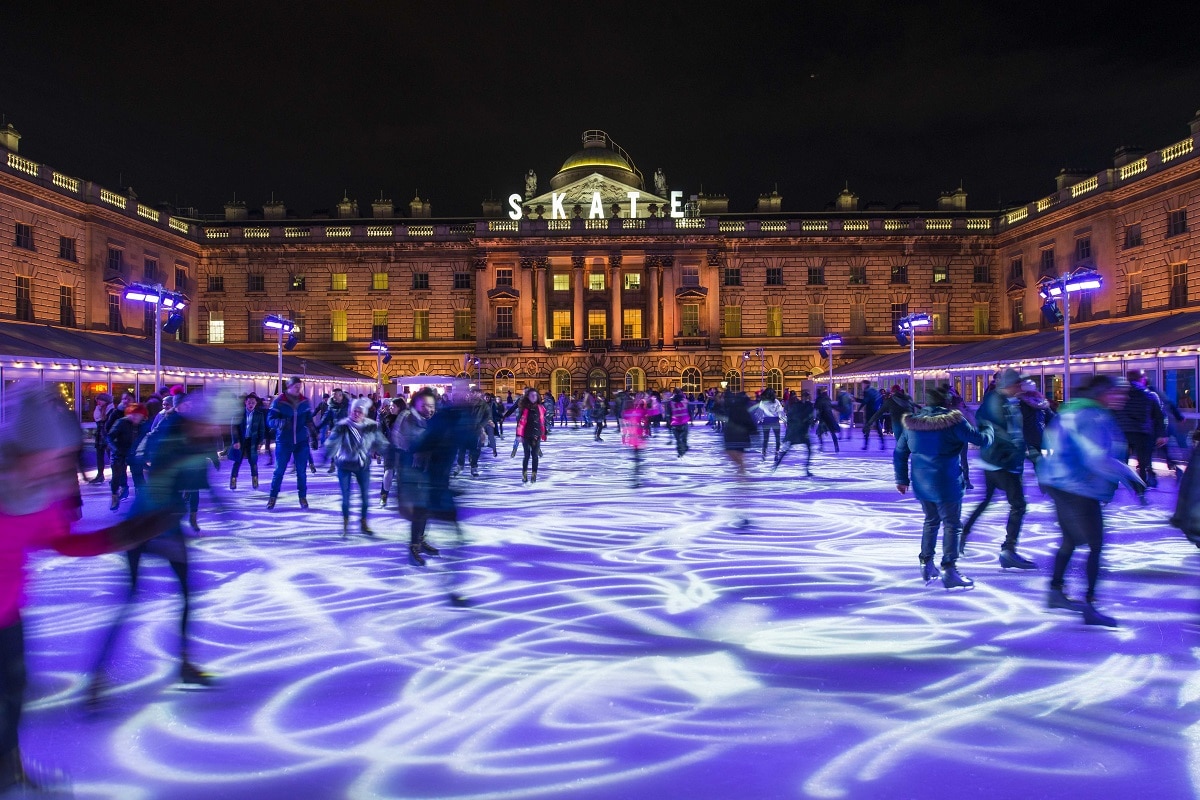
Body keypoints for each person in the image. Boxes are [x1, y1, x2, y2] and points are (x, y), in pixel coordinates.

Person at [0, 386, 175, 792]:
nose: (59, 467)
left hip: (8, 613)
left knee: (13, 693)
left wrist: (120, 537)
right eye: (52, 457)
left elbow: (62, 540)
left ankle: (7, 767)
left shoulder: (39, 496)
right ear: (21, 450)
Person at [90, 389, 240, 707]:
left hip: (166, 524)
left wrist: (220, 505)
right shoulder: (171, 434)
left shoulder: (195, 438)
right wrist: (161, 528)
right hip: (144, 526)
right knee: (130, 599)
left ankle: (184, 664)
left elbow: (202, 479)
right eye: (221, 425)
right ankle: (98, 675)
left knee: (187, 595)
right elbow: (153, 475)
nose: (223, 431)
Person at [1037, 375, 1146, 627]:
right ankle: (1090, 604)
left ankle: (1055, 592)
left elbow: (1049, 446)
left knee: (1071, 541)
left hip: (1061, 483)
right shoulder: (1093, 416)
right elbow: (1096, 458)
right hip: (1079, 487)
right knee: (1095, 544)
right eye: (1119, 392)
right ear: (1103, 393)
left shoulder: (1071, 412)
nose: (1124, 397)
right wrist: (1130, 476)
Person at [894, 384, 992, 589]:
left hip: (922, 482)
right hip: (946, 481)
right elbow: (981, 440)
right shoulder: (954, 421)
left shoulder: (912, 423)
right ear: (947, 402)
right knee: (952, 524)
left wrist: (902, 479)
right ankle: (949, 568)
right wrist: (988, 426)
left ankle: (926, 563)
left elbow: (900, 452)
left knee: (931, 521)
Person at [961, 368, 1036, 569]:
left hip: (996, 460)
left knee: (987, 500)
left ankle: (963, 533)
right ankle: (1008, 550)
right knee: (1018, 505)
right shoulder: (997, 401)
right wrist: (1019, 451)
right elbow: (1002, 432)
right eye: (1017, 384)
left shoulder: (1006, 401)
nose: (1020, 387)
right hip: (1001, 462)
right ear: (1009, 385)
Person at [327, 397, 388, 538]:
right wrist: (328, 454)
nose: (356, 414)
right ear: (350, 411)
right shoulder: (342, 425)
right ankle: (345, 524)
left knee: (365, 498)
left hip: (362, 465)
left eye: (360, 411)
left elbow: (381, 442)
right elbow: (332, 442)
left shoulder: (371, 426)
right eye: (354, 411)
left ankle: (363, 523)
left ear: (364, 413)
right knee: (346, 498)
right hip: (344, 464)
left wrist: (387, 451)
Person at [267, 377, 315, 510]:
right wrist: (280, 423)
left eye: (300, 386)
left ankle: (302, 497)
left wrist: (313, 433)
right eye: (295, 386)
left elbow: (309, 419)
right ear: (288, 386)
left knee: (301, 472)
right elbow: (270, 420)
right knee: (279, 471)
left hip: (301, 441)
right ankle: (272, 497)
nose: (298, 388)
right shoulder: (279, 402)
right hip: (284, 441)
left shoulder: (305, 401)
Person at [1114, 369, 1167, 488]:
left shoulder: (1120, 394)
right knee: (1143, 463)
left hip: (1123, 432)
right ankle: (1141, 489)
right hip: (1143, 433)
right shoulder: (1150, 395)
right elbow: (1159, 416)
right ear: (1142, 379)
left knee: (1122, 461)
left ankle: (1117, 485)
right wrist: (1161, 434)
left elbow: (1113, 412)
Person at [107, 403, 148, 511]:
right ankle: (115, 497)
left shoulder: (142, 425)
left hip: (134, 453)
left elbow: (145, 439)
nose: (135, 417)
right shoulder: (121, 423)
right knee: (117, 476)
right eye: (133, 415)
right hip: (119, 452)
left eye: (138, 415)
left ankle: (141, 499)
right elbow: (109, 437)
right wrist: (115, 449)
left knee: (138, 475)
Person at [229, 393, 267, 490]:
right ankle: (233, 480)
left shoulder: (259, 415)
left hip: (252, 442)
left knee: (253, 462)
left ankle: (255, 480)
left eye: (253, 403)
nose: (251, 404)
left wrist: (260, 442)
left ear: (256, 404)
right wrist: (235, 441)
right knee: (237, 461)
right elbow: (234, 428)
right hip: (241, 441)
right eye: (249, 402)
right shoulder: (239, 413)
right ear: (245, 402)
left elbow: (262, 430)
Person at [774, 390, 815, 475]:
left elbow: (790, 416)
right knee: (808, 449)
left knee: (789, 449)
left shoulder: (799, 405)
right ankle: (806, 469)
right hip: (801, 432)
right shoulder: (806, 406)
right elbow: (809, 418)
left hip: (797, 432)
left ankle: (776, 464)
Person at [513, 388, 547, 483]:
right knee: (527, 456)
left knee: (535, 456)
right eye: (532, 395)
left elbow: (542, 422)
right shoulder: (524, 408)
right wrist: (519, 435)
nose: (534, 397)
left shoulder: (540, 408)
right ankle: (524, 474)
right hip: (526, 435)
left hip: (537, 435)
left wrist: (544, 433)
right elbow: (520, 423)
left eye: (535, 395)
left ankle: (534, 475)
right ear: (528, 397)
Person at [755, 388, 784, 459]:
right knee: (777, 437)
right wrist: (784, 420)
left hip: (767, 420)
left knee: (766, 438)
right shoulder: (776, 401)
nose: (776, 395)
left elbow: (759, 412)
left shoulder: (763, 402)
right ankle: (776, 452)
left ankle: (764, 452)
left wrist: (759, 419)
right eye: (775, 393)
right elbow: (780, 411)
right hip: (774, 420)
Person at [90, 392, 113, 483]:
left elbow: (109, 424)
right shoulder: (99, 409)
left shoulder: (111, 410)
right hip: (100, 435)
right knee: (99, 456)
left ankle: (116, 476)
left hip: (107, 436)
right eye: (97, 400)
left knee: (111, 457)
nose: (98, 402)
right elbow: (98, 420)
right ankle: (100, 475)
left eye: (100, 400)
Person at [859, 382, 885, 450]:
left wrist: (859, 409)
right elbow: (880, 399)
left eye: (862, 384)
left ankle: (866, 445)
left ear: (865, 384)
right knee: (878, 426)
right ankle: (882, 443)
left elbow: (865, 401)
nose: (862, 386)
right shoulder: (875, 390)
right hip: (876, 411)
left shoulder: (866, 391)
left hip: (869, 411)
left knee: (868, 427)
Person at [666, 389, 690, 456]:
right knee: (684, 438)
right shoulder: (685, 401)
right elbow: (689, 410)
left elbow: (669, 414)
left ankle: (680, 451)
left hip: (675, 423)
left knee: (678, 439)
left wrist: (668, 423)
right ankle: (684, 447)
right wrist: (691, 420)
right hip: (684, 422)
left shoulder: (670, 402)